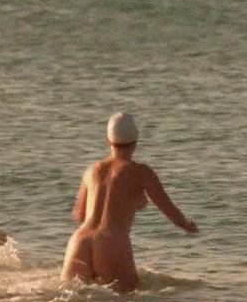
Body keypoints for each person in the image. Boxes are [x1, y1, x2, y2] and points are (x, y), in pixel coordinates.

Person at [62, 113, 198, 292]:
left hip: (79, 241)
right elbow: (169, 210)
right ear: (135, 141)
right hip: (112, 242)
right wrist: (188, 225)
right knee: (130, 298)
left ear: (108, 140)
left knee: (72, 299)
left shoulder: (91, 170)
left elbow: (79, 214)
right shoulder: (141, 172)